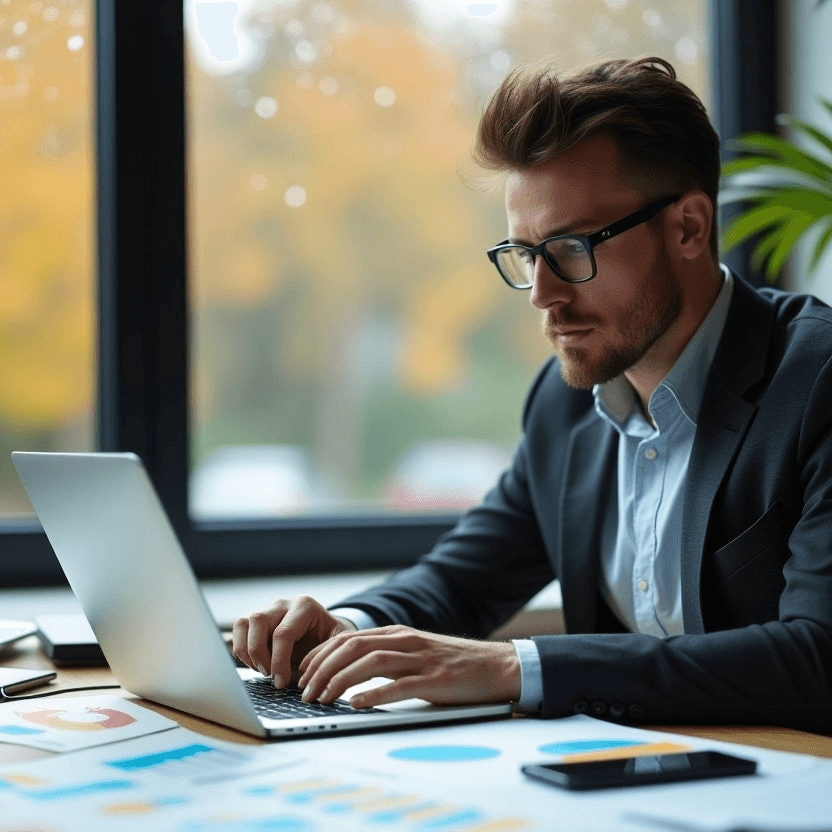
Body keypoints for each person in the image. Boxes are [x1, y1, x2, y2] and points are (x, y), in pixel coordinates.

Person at [232, 56, 832, 734]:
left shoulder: (819, 380)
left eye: (572, 248)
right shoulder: (567, 399)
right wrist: (345, 629)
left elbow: (819, 657)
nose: (544, 295)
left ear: (689, 227)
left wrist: (512, 668)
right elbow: (463, 579)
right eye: (525, 254)